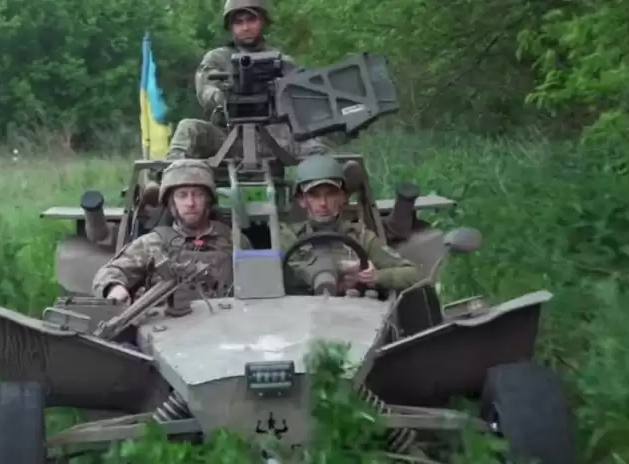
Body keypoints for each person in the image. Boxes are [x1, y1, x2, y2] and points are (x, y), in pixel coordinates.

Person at [165, 0, 330, 161]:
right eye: (238, 22)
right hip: (228, 139)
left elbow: (304, 99)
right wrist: (219, 96)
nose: (245, 27)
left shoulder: (280, 61)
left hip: (277, 138)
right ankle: (172, 175)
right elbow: (206, 88)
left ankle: (326, 176)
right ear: (230, 27)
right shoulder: (218, 58)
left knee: (315, 135)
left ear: (263, 21)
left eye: (251, 20)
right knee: (188, 128)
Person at [92, 159, 252, 307]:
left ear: (208, 200)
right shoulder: (152, 244)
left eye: (198, 194)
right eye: (182, 195)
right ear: (171, 202)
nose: (190, 203)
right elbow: (109, 273)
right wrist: (114, 288)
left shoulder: (235, 241)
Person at [279, 154, 419, 293]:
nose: (323, 203)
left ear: (343, 197)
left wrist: (374, 276)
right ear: (301, 200)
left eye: (331, 194)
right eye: (314, 195)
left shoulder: (361, 237)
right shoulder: (288, 238)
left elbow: (413, 273)